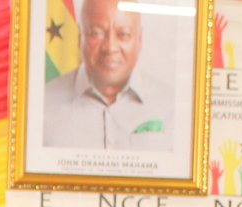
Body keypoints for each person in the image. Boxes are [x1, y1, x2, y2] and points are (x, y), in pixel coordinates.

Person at [42, 0, 173, 152]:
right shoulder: (42, 104)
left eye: (123, 34)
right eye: (96, 33)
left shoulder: (172, 106)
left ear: (140, 39)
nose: (110, 47)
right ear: (80, 37)